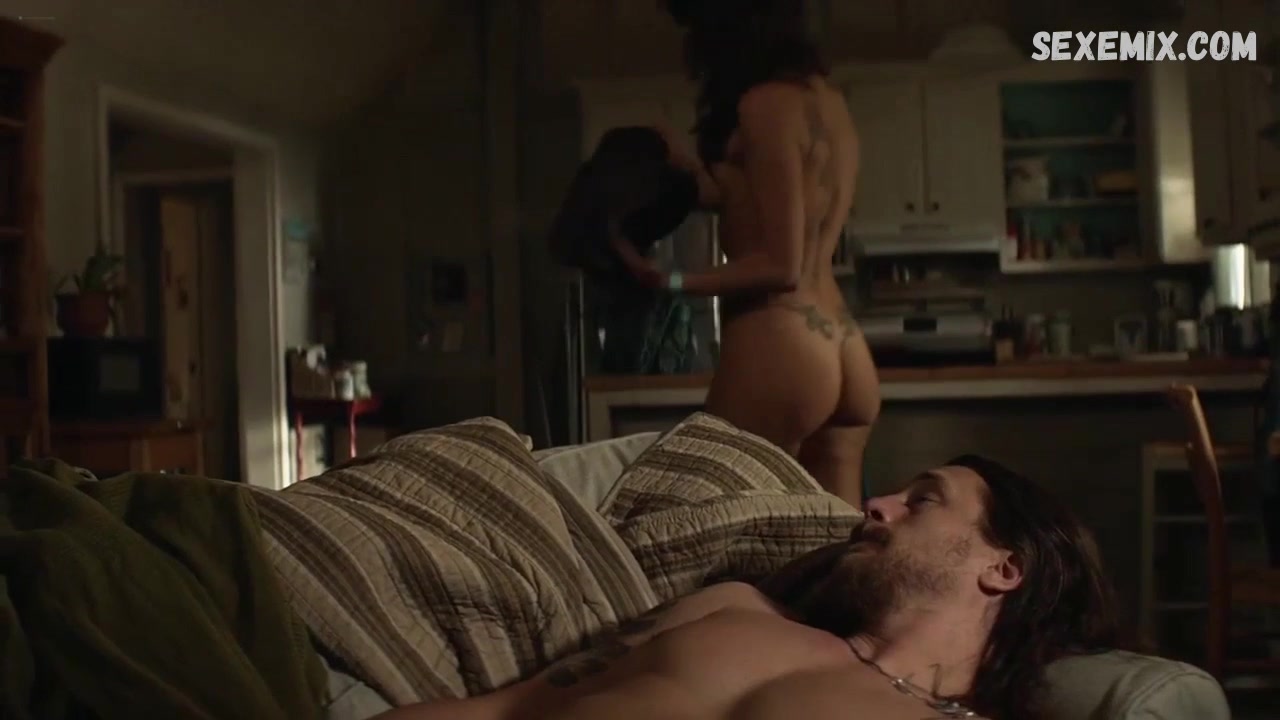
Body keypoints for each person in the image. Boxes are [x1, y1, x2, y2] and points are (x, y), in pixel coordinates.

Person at [376, 455, 1120, 720]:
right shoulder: (730, 610)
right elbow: (502, 712)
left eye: (921, 501)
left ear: (1003, 568)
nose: (876, 506)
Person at [614, 0, 880, 507]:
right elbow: (769, 206)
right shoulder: (829, 103)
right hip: (843, 343)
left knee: (689, 513)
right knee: (837, 545)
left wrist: (670, 281)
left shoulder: (764, 105)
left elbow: (780, 265)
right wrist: (692, 171)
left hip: (782, 344)